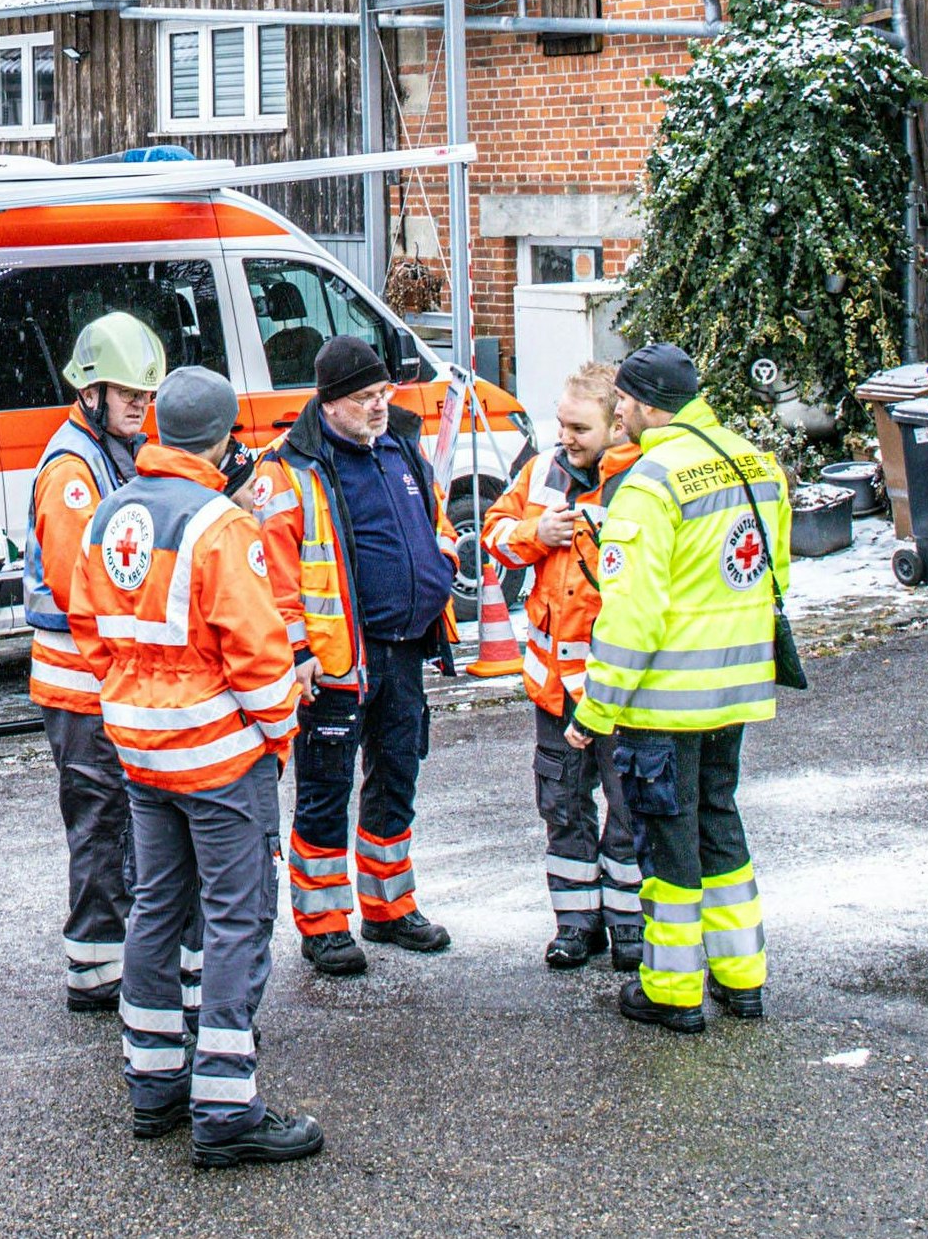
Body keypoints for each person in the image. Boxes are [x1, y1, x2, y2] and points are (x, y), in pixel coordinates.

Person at [80, 365, 320, 1169]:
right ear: (221, 439)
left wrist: (126, 697)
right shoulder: (221, 524)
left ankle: (155, 1087)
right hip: (220, 756)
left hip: (140, 747)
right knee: (237, 917)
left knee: (155, 908)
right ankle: (226, 1108)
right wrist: (279, 732)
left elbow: (89, 624)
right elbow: (257, 653)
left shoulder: (114, 511)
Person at [579, 343, 787, 1034]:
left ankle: (671, 993)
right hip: (736, 688)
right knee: (720, 824)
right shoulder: (752, 461)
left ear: (639, 405)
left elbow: (631, 616)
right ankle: (743, 978)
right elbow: (770, 571)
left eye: (623, 405)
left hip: (667, 699)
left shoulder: (649, 483)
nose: (620, 416)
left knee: (668, 847)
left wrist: (597, 709)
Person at [244, 334, 461, 977]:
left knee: (397, 777)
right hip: (335, 664)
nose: (379, 406)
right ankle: (324, 922)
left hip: (402, 652)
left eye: (384, 393)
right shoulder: (288, 470)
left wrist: (441, 559)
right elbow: (273, 573)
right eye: (366, 397)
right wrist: (300, 649)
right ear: (331, 402)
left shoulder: (400, 445)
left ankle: (389, 906)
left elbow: (436, 522)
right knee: (325, 788)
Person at [23, 312, 165, 1010]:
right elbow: (81, 586)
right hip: (83, 685)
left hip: (104, 681)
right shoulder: (73, 471)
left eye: (146, 396)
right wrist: (125, 671)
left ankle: (111, 959)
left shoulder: (116, 450)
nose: (140, 408)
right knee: (103, 826)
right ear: (89, 392)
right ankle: (96, 972)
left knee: (118, 825)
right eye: (127, 395)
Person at [481, 361, 643, 972]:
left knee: (628, 810)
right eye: (562, 423)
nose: (565, 436)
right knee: (563, 804)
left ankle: (631, 927)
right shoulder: (540, 471)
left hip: (619, 689)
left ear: (616, 422)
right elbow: (495, 534)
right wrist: (535, 533)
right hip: (556, 688)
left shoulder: (637, 482)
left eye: (579, 426)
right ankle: (577, 924)